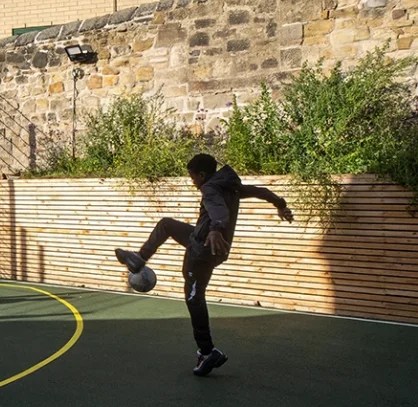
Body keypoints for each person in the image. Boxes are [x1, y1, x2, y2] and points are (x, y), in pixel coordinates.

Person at [114, 154, 294, 376]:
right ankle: (139, 258)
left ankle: (207, 352)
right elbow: (262, 192)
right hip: (201, 240)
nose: (191, 181)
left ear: (202, 174)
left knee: (193, 297)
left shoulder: (209, 189)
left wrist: (216, 228)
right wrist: (281, 205)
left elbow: (218, 209)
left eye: (192, 176)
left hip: (204, 249)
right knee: (166, 225)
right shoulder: (231, 186)